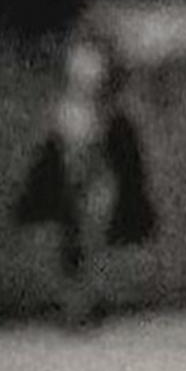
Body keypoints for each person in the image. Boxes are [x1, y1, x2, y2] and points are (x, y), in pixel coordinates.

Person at [14, 33, 153, 328]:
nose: (86, 72)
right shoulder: (58, 110)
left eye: (92, 65)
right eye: (80, 63)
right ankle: (73, 301)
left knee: (94, 235)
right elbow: (44, 155)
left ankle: (89, 299)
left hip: (99, 186)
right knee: (66, 240)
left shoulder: (111, 112)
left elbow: (125, 158)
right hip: (65, 186)